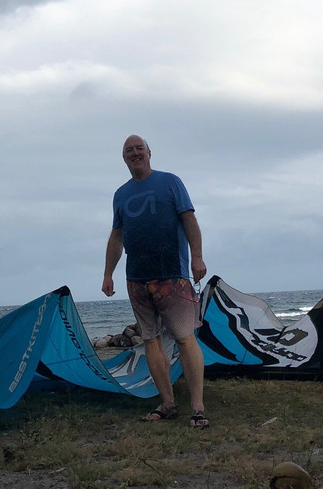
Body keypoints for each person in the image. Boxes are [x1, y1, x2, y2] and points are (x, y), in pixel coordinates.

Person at [102, 134, 209, 429]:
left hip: (172, 274)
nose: (135, 153)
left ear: (150, 153)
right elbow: (117, 236)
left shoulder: (170, 182)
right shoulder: (120, 195)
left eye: (139, 149)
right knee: (150, 340)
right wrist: (108, 273)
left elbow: (189, 220)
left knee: (185, 338)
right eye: (128, 151)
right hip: (137, 278)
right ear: (123, 158)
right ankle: (168, 403)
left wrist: (197, 257)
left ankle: (197, 407)